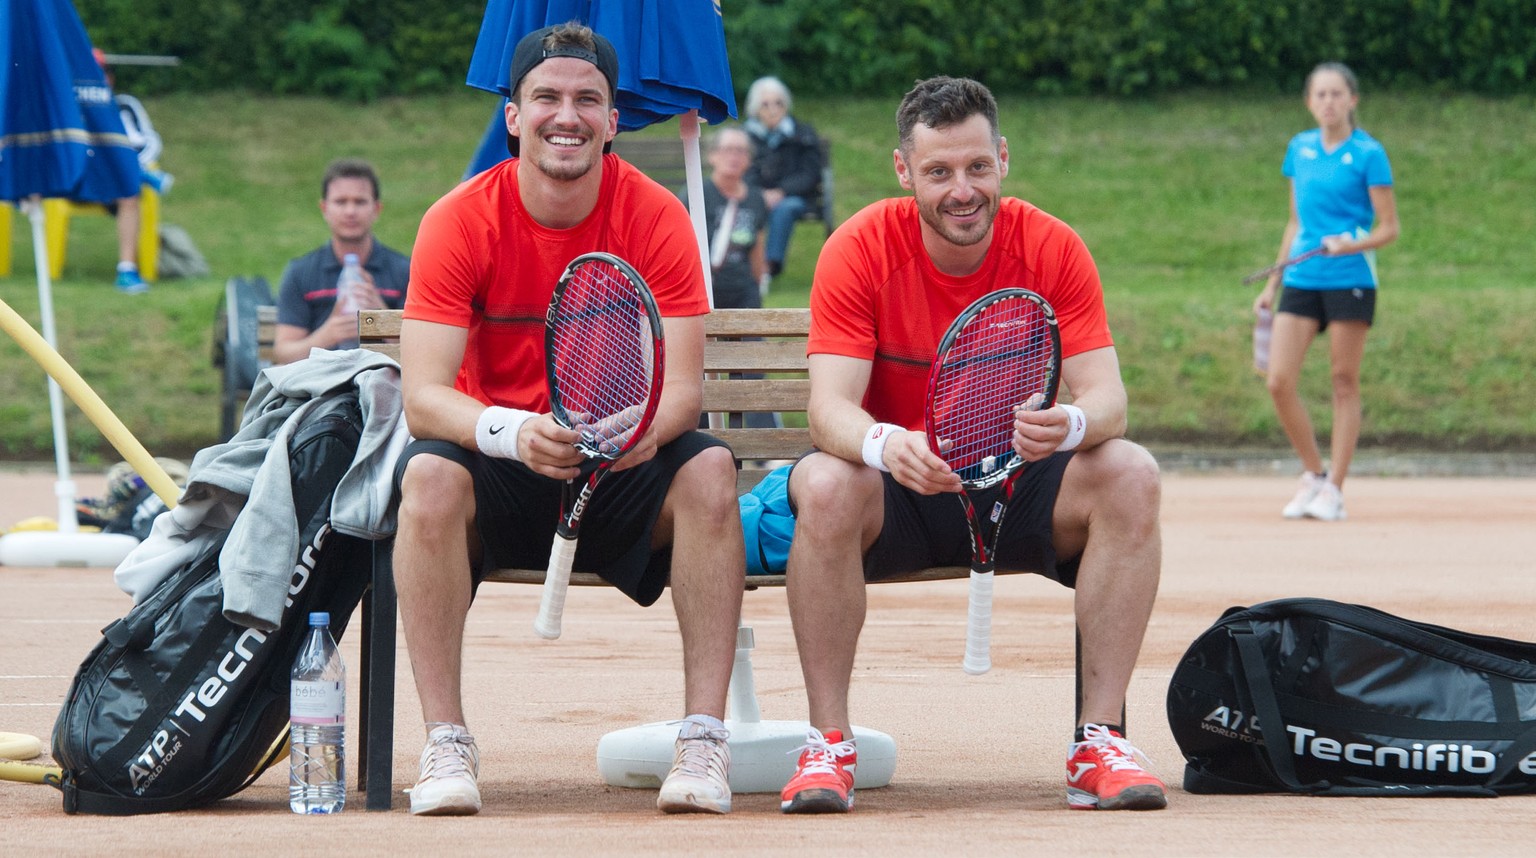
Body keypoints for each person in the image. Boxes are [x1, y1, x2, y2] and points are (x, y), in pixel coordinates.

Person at [778, 76, 1167, 814]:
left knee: (1130, 471)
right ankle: (829, 742)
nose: (963, 190)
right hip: (901, 494)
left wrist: (1072, 426)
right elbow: (828, 410)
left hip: (1017, 489)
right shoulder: (859, 246)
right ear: (904, 172)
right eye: (939, 172)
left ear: (1003, 159)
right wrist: (888, 445)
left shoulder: (1052, 246)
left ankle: (1099, 740)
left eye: (977, 167)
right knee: (827, 483)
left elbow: (1108, 397)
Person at [392, 23, 745, 818]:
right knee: (426, 476)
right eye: (546, 96)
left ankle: (702, 741)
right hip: (503, 469)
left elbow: (684, 391)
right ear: (513, 115)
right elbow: (424, 397)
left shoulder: (656, 218)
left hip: (623, 463)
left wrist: (633, 432)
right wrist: (513, 432)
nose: (567, 114)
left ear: (614, 120)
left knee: (712, 469)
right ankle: (445, 740)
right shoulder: (458, 219)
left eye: (588, 99)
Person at [1252, 62, 1399, 522]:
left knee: (1342, 381)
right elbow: (1295, 221)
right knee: (1278, 380)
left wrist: (1350, 244)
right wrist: (1273, 283)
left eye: (1337, 94)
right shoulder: (1299, 149)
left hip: (1351, 277)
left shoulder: (1369, 154)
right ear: (1309, 102)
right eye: (1321, 95)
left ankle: (1335, 488)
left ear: (1352, 100)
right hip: (1301, 276)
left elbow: (1390, 228)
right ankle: (1314, 475)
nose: (1329, 102)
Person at [684, 126, 779, 430]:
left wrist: (758, 284)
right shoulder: (697, 195)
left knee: (752, 362)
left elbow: (757, 248)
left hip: (743, 292)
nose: (735, 157)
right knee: (698, 365)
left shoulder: (755, 200)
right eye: (728, 150)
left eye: (741, 151)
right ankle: (699, 432)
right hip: (704, 293)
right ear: (712, 156)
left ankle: (761, 437)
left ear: (749, 160)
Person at [272, 158, 411, 364]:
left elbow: (418, 353)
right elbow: (283, 354)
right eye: (341, 201)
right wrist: (329, 334)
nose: (350, 212)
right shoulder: (301, 272)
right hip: (319, 388)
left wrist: (380, 315)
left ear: (377, 209)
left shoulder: (404, 270)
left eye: (360, 201)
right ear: (324, 208)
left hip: (386, 386)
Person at [90, 49, 172, 294]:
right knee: (119, 168)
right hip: (84, 180)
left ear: (110, 77)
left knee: (128, 189)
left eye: (102, 73)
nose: (99, 79)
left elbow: (151, 141)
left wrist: (130, 164)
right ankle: (144, 176)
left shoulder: (125, 105)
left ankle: (126, 271)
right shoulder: (69, 110)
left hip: (120, 181)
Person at [742, 76, 824, 291]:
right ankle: (740, 268)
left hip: (794, 197)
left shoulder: (802, 134)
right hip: (755, 195)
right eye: (765, 104)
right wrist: (760, 193)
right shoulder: (745, 137)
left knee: (785, 209)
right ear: (755, 108)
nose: (772, 109)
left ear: (786, 105)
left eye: (778, 103)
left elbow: (810, 174)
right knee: (747, 206)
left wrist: (782, 191)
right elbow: (742, 172)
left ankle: (768, 267)